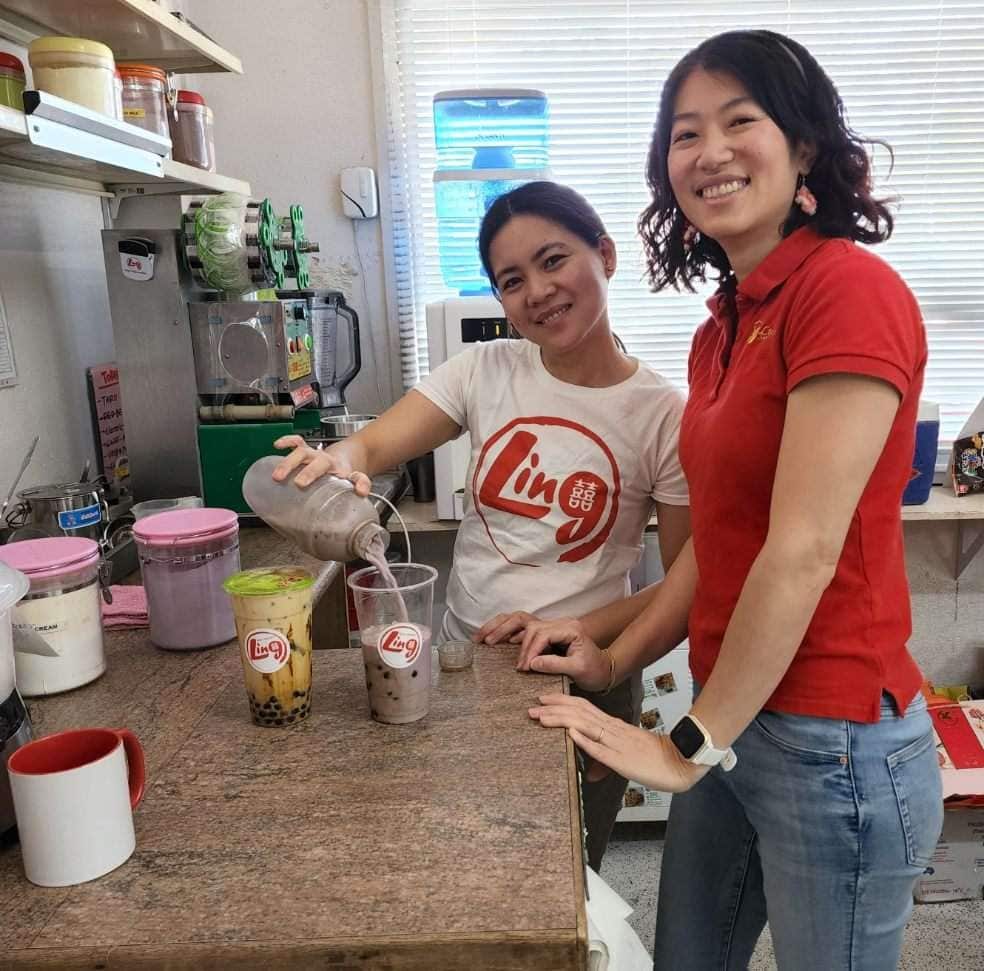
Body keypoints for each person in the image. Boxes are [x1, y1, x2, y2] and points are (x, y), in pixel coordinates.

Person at [510, 30, 943, 970]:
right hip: (737, 715)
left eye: (739, 121)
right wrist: (613, 653)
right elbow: (722, 544)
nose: (709, 151)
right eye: (684, 133)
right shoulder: (726, 324)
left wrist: (683, 749)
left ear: (805, 148)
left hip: (837, 742)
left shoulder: (847, 292)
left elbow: (802, 551)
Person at [271, 180, 691, 869]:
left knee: (565, 876)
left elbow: (684, 581)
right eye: (512, 280)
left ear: (606, 256)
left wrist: (584, 632)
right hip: (464, 663)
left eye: (554, 260)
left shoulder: (661, 414)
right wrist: (338, 458)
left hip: (582, 677)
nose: (538, 291)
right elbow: (373, 446)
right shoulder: (485, 368)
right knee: (465, 858)